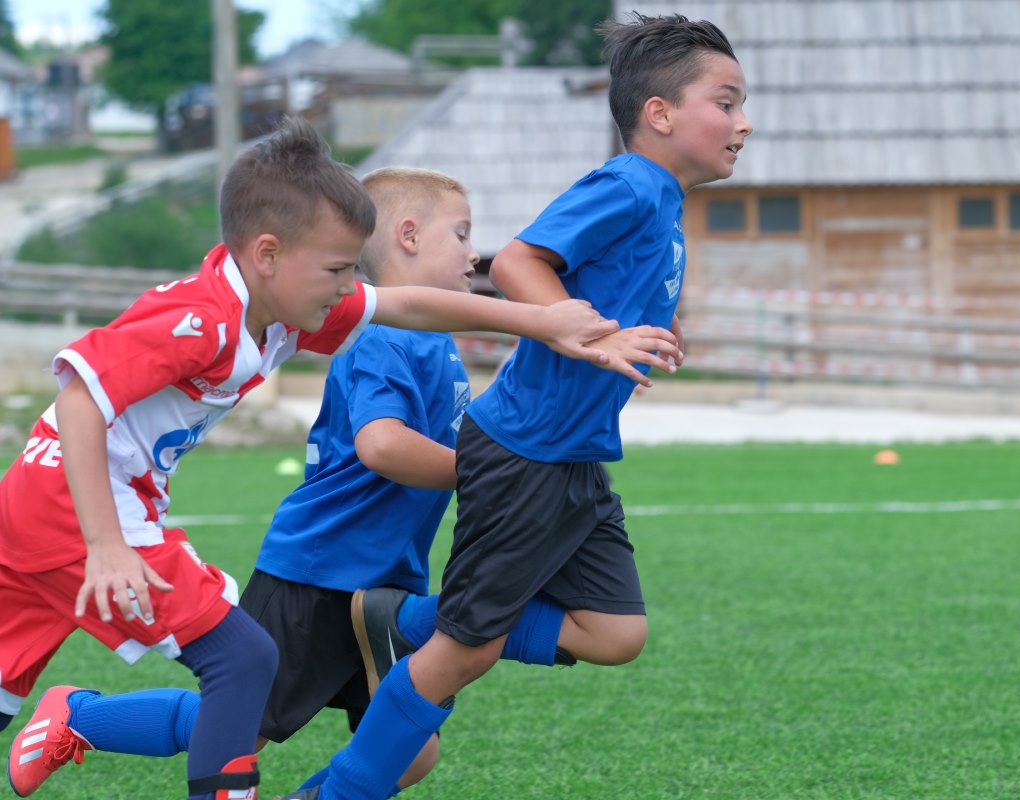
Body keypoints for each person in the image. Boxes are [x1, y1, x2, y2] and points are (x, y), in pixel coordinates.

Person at [0, 118, 679, 800]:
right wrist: (106, 545)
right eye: (336, 269)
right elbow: (82, 397)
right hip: (246, 554)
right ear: (269, 255)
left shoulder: (297, 308)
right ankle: (83, 716)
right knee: (242, 680)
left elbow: (407, 304)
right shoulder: (206, 319)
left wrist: (546, 321)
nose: (346, 285)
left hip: (365, 576)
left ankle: (82, 715)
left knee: (406, 751)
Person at [284, 12, 754, 799]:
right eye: (728, 101)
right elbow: (521, 263)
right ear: (660, 114)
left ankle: (403, 620)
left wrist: (637, 333)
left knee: (615, 634)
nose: (745, 122)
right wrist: (588, 335)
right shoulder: (631, 183)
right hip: (527, 451)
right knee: (463, 651)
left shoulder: (663, 203)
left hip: (574, 456)